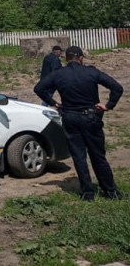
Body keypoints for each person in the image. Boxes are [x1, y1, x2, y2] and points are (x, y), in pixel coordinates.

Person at [34, 46, 124, 201]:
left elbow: (39, 88)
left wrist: (54, 103)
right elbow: (117, 87)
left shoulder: (58, 74)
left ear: (66, 58)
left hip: (70, 118)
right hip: (91, 118)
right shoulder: (91, 72)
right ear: (81, 58)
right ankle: (110, 192)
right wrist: (108, 105)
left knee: (79, 156)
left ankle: (87, 193)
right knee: (98, 156)